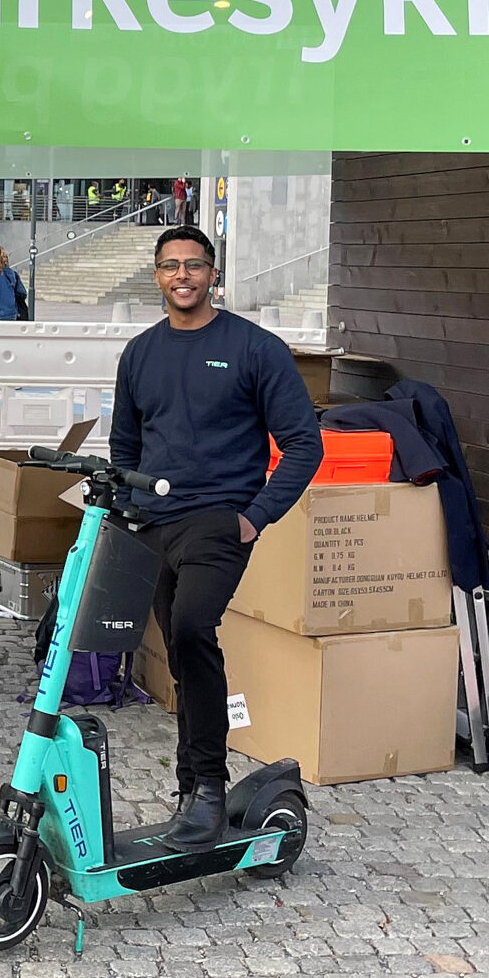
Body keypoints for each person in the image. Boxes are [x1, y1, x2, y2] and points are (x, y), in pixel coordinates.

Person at [108, 224, 321, 851]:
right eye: (170, 266)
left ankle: (206, 788)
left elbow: (305, 444)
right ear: (157, 276)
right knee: (179, 649)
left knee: (193, 628)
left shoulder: (255, 348)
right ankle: (191, 785)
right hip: (154, 522)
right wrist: (126, 511)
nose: (182, 276)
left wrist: (255, 516)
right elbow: (125, 445)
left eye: (194, 266)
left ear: (212, 274)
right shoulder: (140, 353)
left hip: (221, 519)